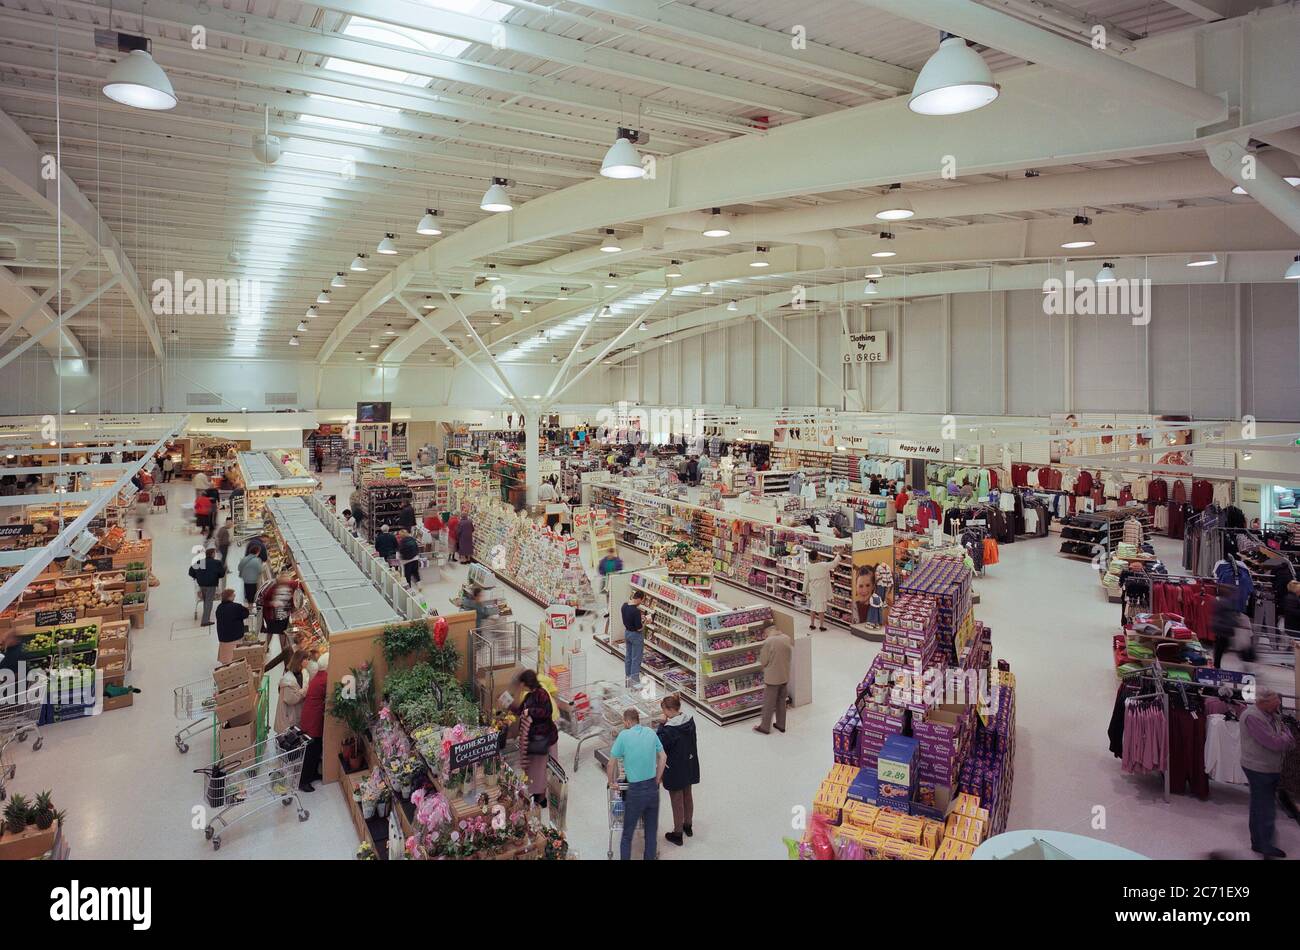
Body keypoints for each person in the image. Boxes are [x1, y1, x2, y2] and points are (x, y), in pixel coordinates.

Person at [1239, 687, 1295, 857]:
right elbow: (1274, 743)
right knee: (1265, 808)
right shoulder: (1252, 716)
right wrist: (1285, 738)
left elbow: (1286, 737)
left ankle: (1259, 842)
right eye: (1274, 704)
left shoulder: (1272, 715)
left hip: (1268, 767)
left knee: (1259, 804)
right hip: (1258, 768)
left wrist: (1284, 738)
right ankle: (1265, 845)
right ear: (1262, 702)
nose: (1277, 707)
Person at [606, 707, 666, 861]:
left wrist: (611, 782)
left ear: (626, 722)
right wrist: (658, 778)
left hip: (635, 792)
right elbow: (663, 757)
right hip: (652, 789)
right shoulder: (651, 733)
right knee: (651, 832)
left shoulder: (624, 736)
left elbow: (611, 764)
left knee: (627, 834)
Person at [509, 670, 558, 807]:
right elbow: (520, 711)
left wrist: (530, 712)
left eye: (521, 684)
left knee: (539, 770)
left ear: (525, 683)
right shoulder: (529, 695)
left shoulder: (541, 693)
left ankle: (541, 799)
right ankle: (537, 795)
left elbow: (547, 712)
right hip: (535, 739)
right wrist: (508, 704)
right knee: (534, 770)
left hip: (543, 738)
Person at [657, 693, 699, 846]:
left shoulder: (669, 730)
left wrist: (661, 725)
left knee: (677, 800)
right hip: (688, 763)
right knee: (688, 796)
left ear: (669, 710)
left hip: (674, 769)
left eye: (664, 711)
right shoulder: (690, 721)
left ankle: (677, 833)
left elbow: (659, 745)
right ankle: (688, 825)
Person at [298, 653, 329, 792]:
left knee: (315, 748)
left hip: (310, 715)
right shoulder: (325, 679)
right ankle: (304, 781)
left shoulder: (319, 676)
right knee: (311, 750)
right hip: (313, 719)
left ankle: (313, 774)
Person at [754, 626, 793, 735]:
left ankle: (765, 727)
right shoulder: (786, 638)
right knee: (781, 701)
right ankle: (781, 725)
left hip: (772, 678)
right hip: (784, 675)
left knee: (768, 703)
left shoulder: (769, 641)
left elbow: (763, 661)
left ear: (767, 631)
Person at [260, 569, 303, 651]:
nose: (285, 582)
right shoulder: (272, 588)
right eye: (283, 580)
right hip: (272, 617)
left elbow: (301, 584)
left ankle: (283, 649)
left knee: (282, 632)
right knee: (271, 631)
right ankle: (266, 648)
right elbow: (263, 601)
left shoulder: (291, 585)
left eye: (287, 580)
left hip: (284, 616)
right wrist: (272, 603)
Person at [805, 550, 843, 632]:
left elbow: (806, 580)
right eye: (818, 555)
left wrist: (804, 590)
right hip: (821, 590)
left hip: (813, 589)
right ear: (816, 557)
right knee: (821, 609)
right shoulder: (823, 565)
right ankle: (821, 626)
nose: (819, 555)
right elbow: (834, 563)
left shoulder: (808, 567)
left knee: (813, 607)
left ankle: (812, 624)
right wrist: (839, 554)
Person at [188, 546, 224, 627]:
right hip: (211, 584)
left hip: (202, 584)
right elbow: (221, 574)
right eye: (214, 553)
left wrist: (197, 576)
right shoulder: (217, 563)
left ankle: (205, 616)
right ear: (212, 554)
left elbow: (191, 572)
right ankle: (205, 621)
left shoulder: (201, 562)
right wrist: (216, 575)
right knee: (209, 601)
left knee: (205, 600)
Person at [274, 651, 308, 733]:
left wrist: (300, 692)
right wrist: (304, 691)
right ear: (299, 661)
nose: (308, 661)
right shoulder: (288, 679)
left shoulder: (304, 673)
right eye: (306, 659)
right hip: (288, 715)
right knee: (288, 737)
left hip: (296, 713)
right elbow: (290, 699)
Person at [213, 589, 250, 664]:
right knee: (236, 658)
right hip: (235, 636)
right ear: (229, 597)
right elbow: (246, 613)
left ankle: (225, 662)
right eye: (233, 595)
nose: (234, 596)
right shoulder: (236, 606)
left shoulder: (219, 608)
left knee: (226, 657)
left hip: (223, 636)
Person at [621, 590, 645, 685]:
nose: (641, 602)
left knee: (628, 657)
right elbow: (639, 628)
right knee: (636, 659)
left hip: (627, 633)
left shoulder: (624, 605)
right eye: (642, 600)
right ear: (639, 599)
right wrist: (645, 622)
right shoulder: (636, 611)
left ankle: (628, 680)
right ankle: (635, 683)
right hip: (636, 636)